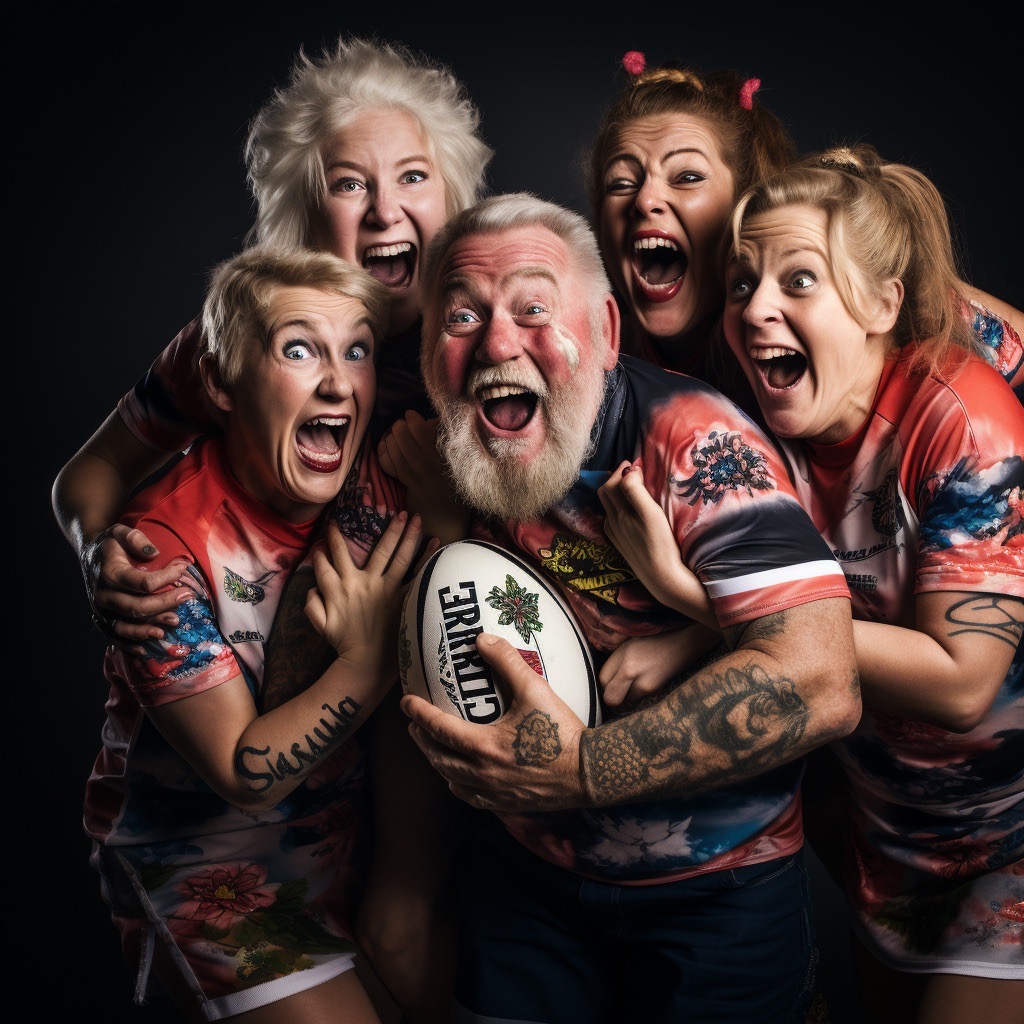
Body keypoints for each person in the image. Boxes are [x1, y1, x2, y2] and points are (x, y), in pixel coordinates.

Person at [53, 34, 491, 1021]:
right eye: (350, 184)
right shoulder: (245, 337)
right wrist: (103, 558)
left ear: (452, 196)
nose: (385, 209)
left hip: (384, 796)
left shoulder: (490, 330)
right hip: (228, 811)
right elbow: (91, 474)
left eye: (412, 177)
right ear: (306, 211)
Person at [398, 190, 862, 1024]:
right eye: (463, 317)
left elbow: (821, 678)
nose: (497, 343)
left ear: (608, 331)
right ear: (432, 349)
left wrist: (583, 770)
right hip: (523, 879)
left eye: (534, 309)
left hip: (718, 891)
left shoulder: (698, 444)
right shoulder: (439, 446)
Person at [597, 144, 1024, 1023]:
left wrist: (695, 600)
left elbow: (962, 683)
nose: (757, 308)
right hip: (887, 842)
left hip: (1010, 842)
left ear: (881, 305)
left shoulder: (962, 419)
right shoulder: (757, 416)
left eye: (799, 281)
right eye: (743, 282)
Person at [83, 244, 427, 1023]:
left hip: (347, 843)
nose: (338, 382)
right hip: (206, 866)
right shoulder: (161, 554)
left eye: (357, 352)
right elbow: (246, 772)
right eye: (299, 350)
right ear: (220, 382)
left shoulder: (378, 469)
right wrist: (371, 657)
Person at [586, 51, 1024, 405]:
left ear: (745, 202)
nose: (644, 200)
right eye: (620, 183)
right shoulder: (593, 341)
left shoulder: (850, 297)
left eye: (687, 176)